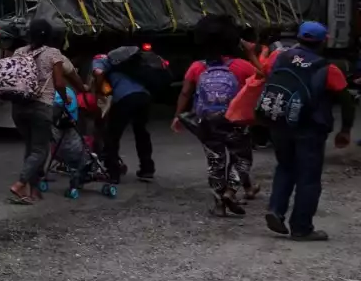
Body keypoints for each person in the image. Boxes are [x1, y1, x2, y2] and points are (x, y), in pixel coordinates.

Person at [262, 21, 354, 241]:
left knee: (285, 167)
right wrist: (345, 130)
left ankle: (275, 210)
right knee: (308, 177)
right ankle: (301, 228)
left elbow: (267, 76)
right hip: (310, 129)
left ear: (299, 38)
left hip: (280, 124)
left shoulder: (279, 57)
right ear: (323, 41)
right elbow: (347, 101)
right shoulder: (327, 68)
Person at [172, 16, 258, 217]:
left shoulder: (197, 67)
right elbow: (262, 80)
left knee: (215, 162)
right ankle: (231, 191)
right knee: (241, 158)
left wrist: (177, 116)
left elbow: (185, 93)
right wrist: (252, 54)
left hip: (207, 122)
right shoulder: (242, 66)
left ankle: (219, 205)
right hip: (236, 121)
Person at [7, 18, 84, 204]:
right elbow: (59, 83)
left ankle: (32, 190)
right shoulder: (53, 54)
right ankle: (20, 184)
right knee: (40, 150)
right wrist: (65, 97)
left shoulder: (19, 52)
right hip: (40, 107)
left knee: (31, 148)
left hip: (19, 107)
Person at [90, 46, 154, 183]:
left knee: (112, 136)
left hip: (125, 98)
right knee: (141, 132)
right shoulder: (125, 62)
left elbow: (98, 73)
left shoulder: (100, 59)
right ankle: (147, 169)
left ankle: (113, 173)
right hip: (143, 96)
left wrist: (98, 91)